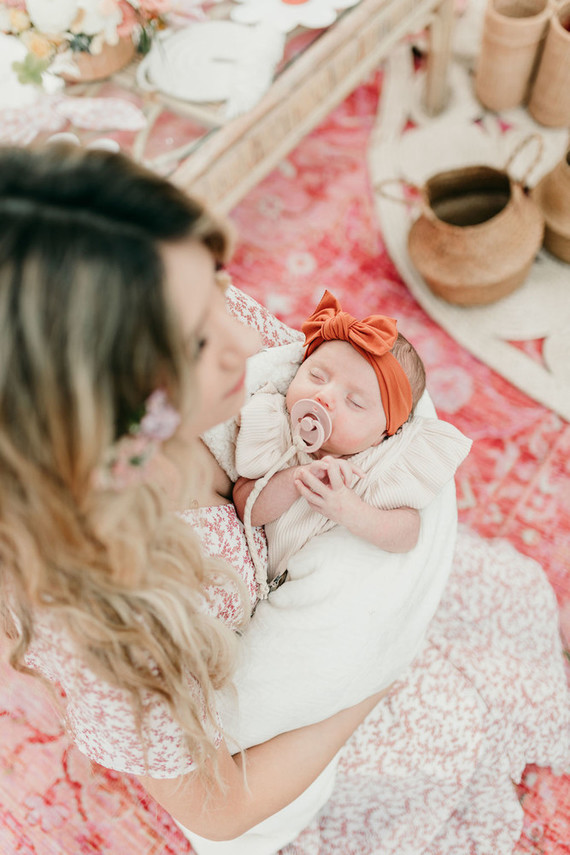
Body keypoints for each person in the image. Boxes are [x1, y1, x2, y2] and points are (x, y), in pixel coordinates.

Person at [0, 144, 567, 855]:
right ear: (110, 421)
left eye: (217, 279)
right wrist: (366, 689)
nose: (248, 333)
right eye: (202, 337)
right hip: (283, 737)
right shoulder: (106, 614)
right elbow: (218, 806)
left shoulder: (203, 331)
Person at [233, 290, 472, 591]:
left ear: (384, 433)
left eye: (355, 403)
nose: (324, 397)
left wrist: (352, 511)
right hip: (267, 584)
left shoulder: (380, 463)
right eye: (317, 376)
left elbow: (408, 533)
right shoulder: (276, 426)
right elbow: (246, 507)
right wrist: (295, 478)